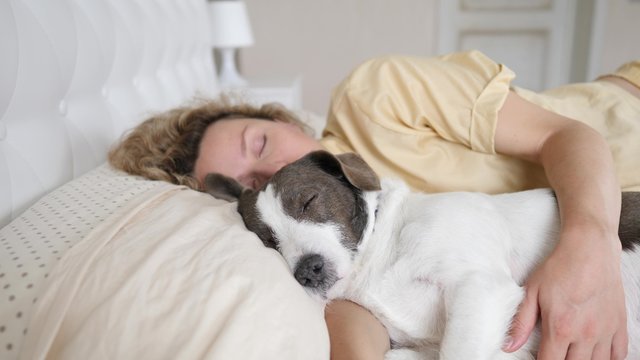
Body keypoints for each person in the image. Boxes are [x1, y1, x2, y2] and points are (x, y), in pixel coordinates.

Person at [109, 50, 640, 359]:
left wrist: (590, 243)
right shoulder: (347, 254)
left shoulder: (374, 99)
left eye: (260, 145)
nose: (270, 178)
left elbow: (568, 136)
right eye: (249, 184)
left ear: (286, 121)